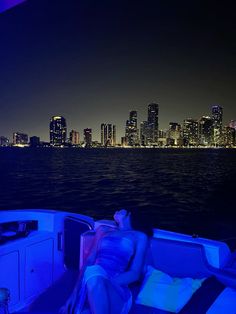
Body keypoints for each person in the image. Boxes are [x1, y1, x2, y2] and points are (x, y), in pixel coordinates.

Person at [60, 208, 150, 314]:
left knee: (94, 273)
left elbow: (135, 273)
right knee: (93, 273)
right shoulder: (103, 230)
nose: (117, 210)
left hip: (116, 290)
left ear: (129, 214)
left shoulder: (138, 236)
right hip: (92, 282)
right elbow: (89, 261)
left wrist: (105, 282)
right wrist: (74, 294)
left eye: (121, 209)